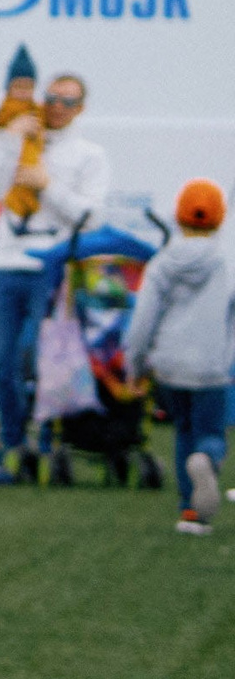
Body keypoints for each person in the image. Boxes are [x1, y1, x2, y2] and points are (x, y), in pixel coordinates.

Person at [0, 72, 109, 478]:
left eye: (68, 101)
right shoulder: (21, 137)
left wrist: (47, 185)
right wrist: (8, 139)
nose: (57, 106)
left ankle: (49, 440)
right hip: (6, 262)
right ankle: (14, 440)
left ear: (81, 109)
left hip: (52, 265)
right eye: (52, 98)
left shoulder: (89, 155)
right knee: (2, 361)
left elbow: (90, 217)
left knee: (39, 355)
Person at [124, 179, 232, 535]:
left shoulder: (162, 263)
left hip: (169, 366)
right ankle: (208, 460)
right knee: (210, 433)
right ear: (219, 219)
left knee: (183, 431)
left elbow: (142, 321)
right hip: (211, 366)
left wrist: (135, 366)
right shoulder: (224, 264)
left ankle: (189, 512)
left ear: (178, 217)